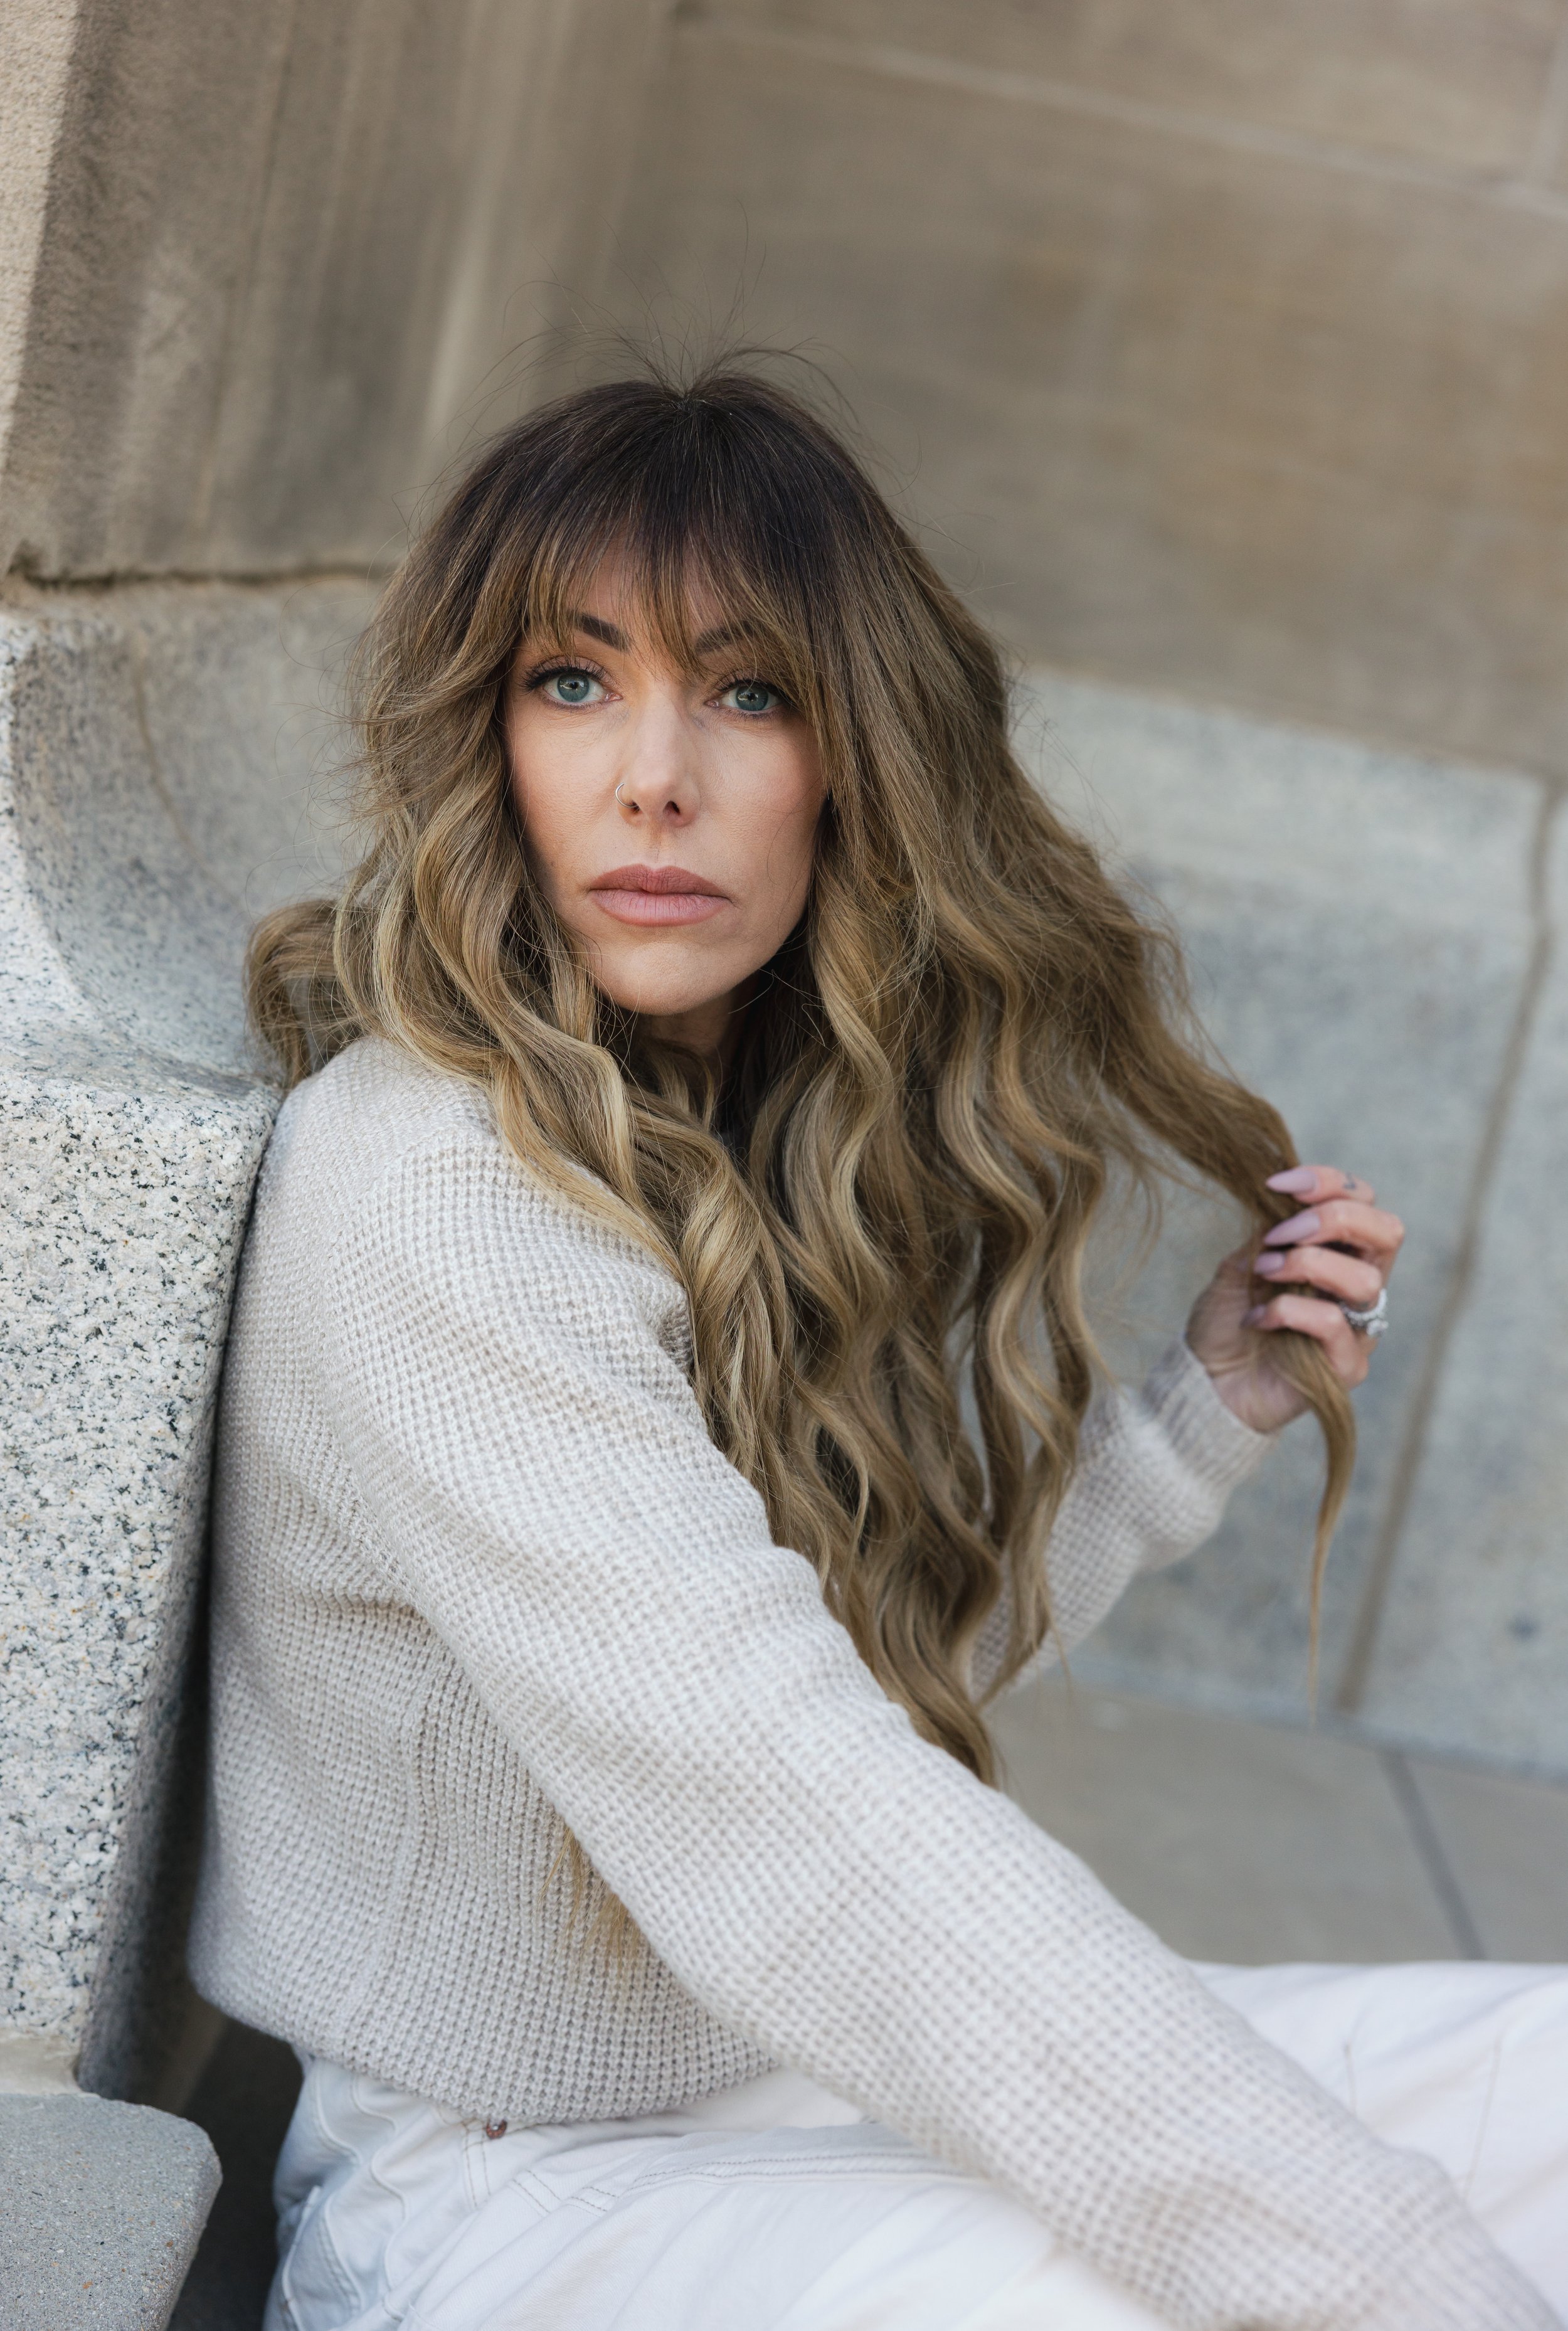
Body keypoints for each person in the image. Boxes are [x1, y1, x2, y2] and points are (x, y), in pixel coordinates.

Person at [189, 364, 1564, 2331]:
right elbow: (811, 1821)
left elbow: (856, 1680)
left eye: (748, 692)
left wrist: (1196, 1418)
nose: (654, 775)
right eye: (572, 681)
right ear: (481, 735)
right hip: (494, 2201)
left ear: (852, 758)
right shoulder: (432, 1192)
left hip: (782, 2090)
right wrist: (1399, 2283)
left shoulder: (729, 1131)